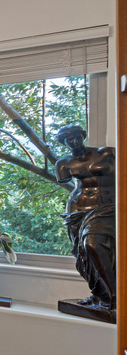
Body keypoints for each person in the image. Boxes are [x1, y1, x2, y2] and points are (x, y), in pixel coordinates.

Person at [55, 124, 116, 312]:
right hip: (77, 209)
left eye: (75, 137)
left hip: (105, 207)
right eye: (68, 140)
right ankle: (100, 295)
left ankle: (113, 296)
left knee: (93, 245)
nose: (73, 142)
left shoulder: (105, 153)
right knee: (83, 254)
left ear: (83, 136)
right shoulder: (63, 163)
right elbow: (66, 181)